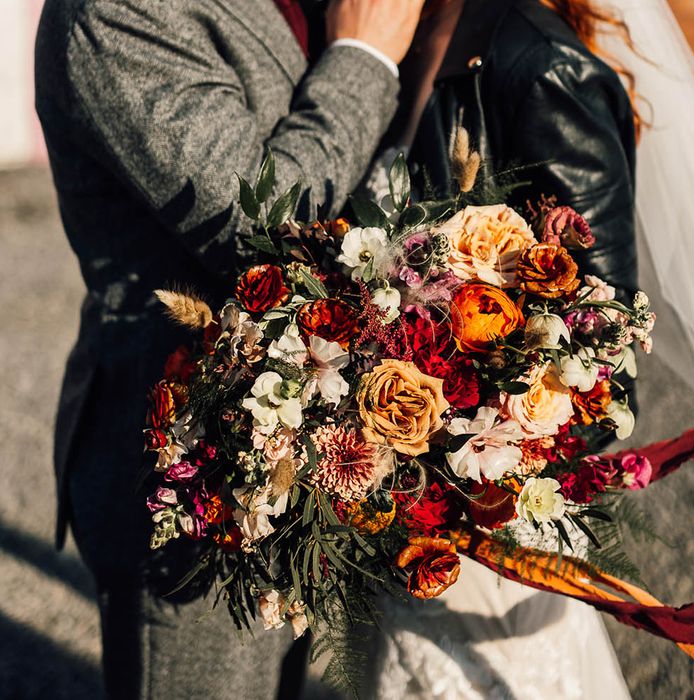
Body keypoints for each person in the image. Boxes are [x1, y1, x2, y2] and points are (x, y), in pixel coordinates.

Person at [34, 0, 425, 697]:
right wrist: (364, 58)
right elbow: (266, 226)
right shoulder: (115, 14)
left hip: (304, 448)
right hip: (189, 470)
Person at [361, 0, 638, 697]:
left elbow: (608, 360)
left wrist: (464, 459)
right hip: (397, 522)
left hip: (485, 531)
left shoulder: (545, 70)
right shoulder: (395, 33)